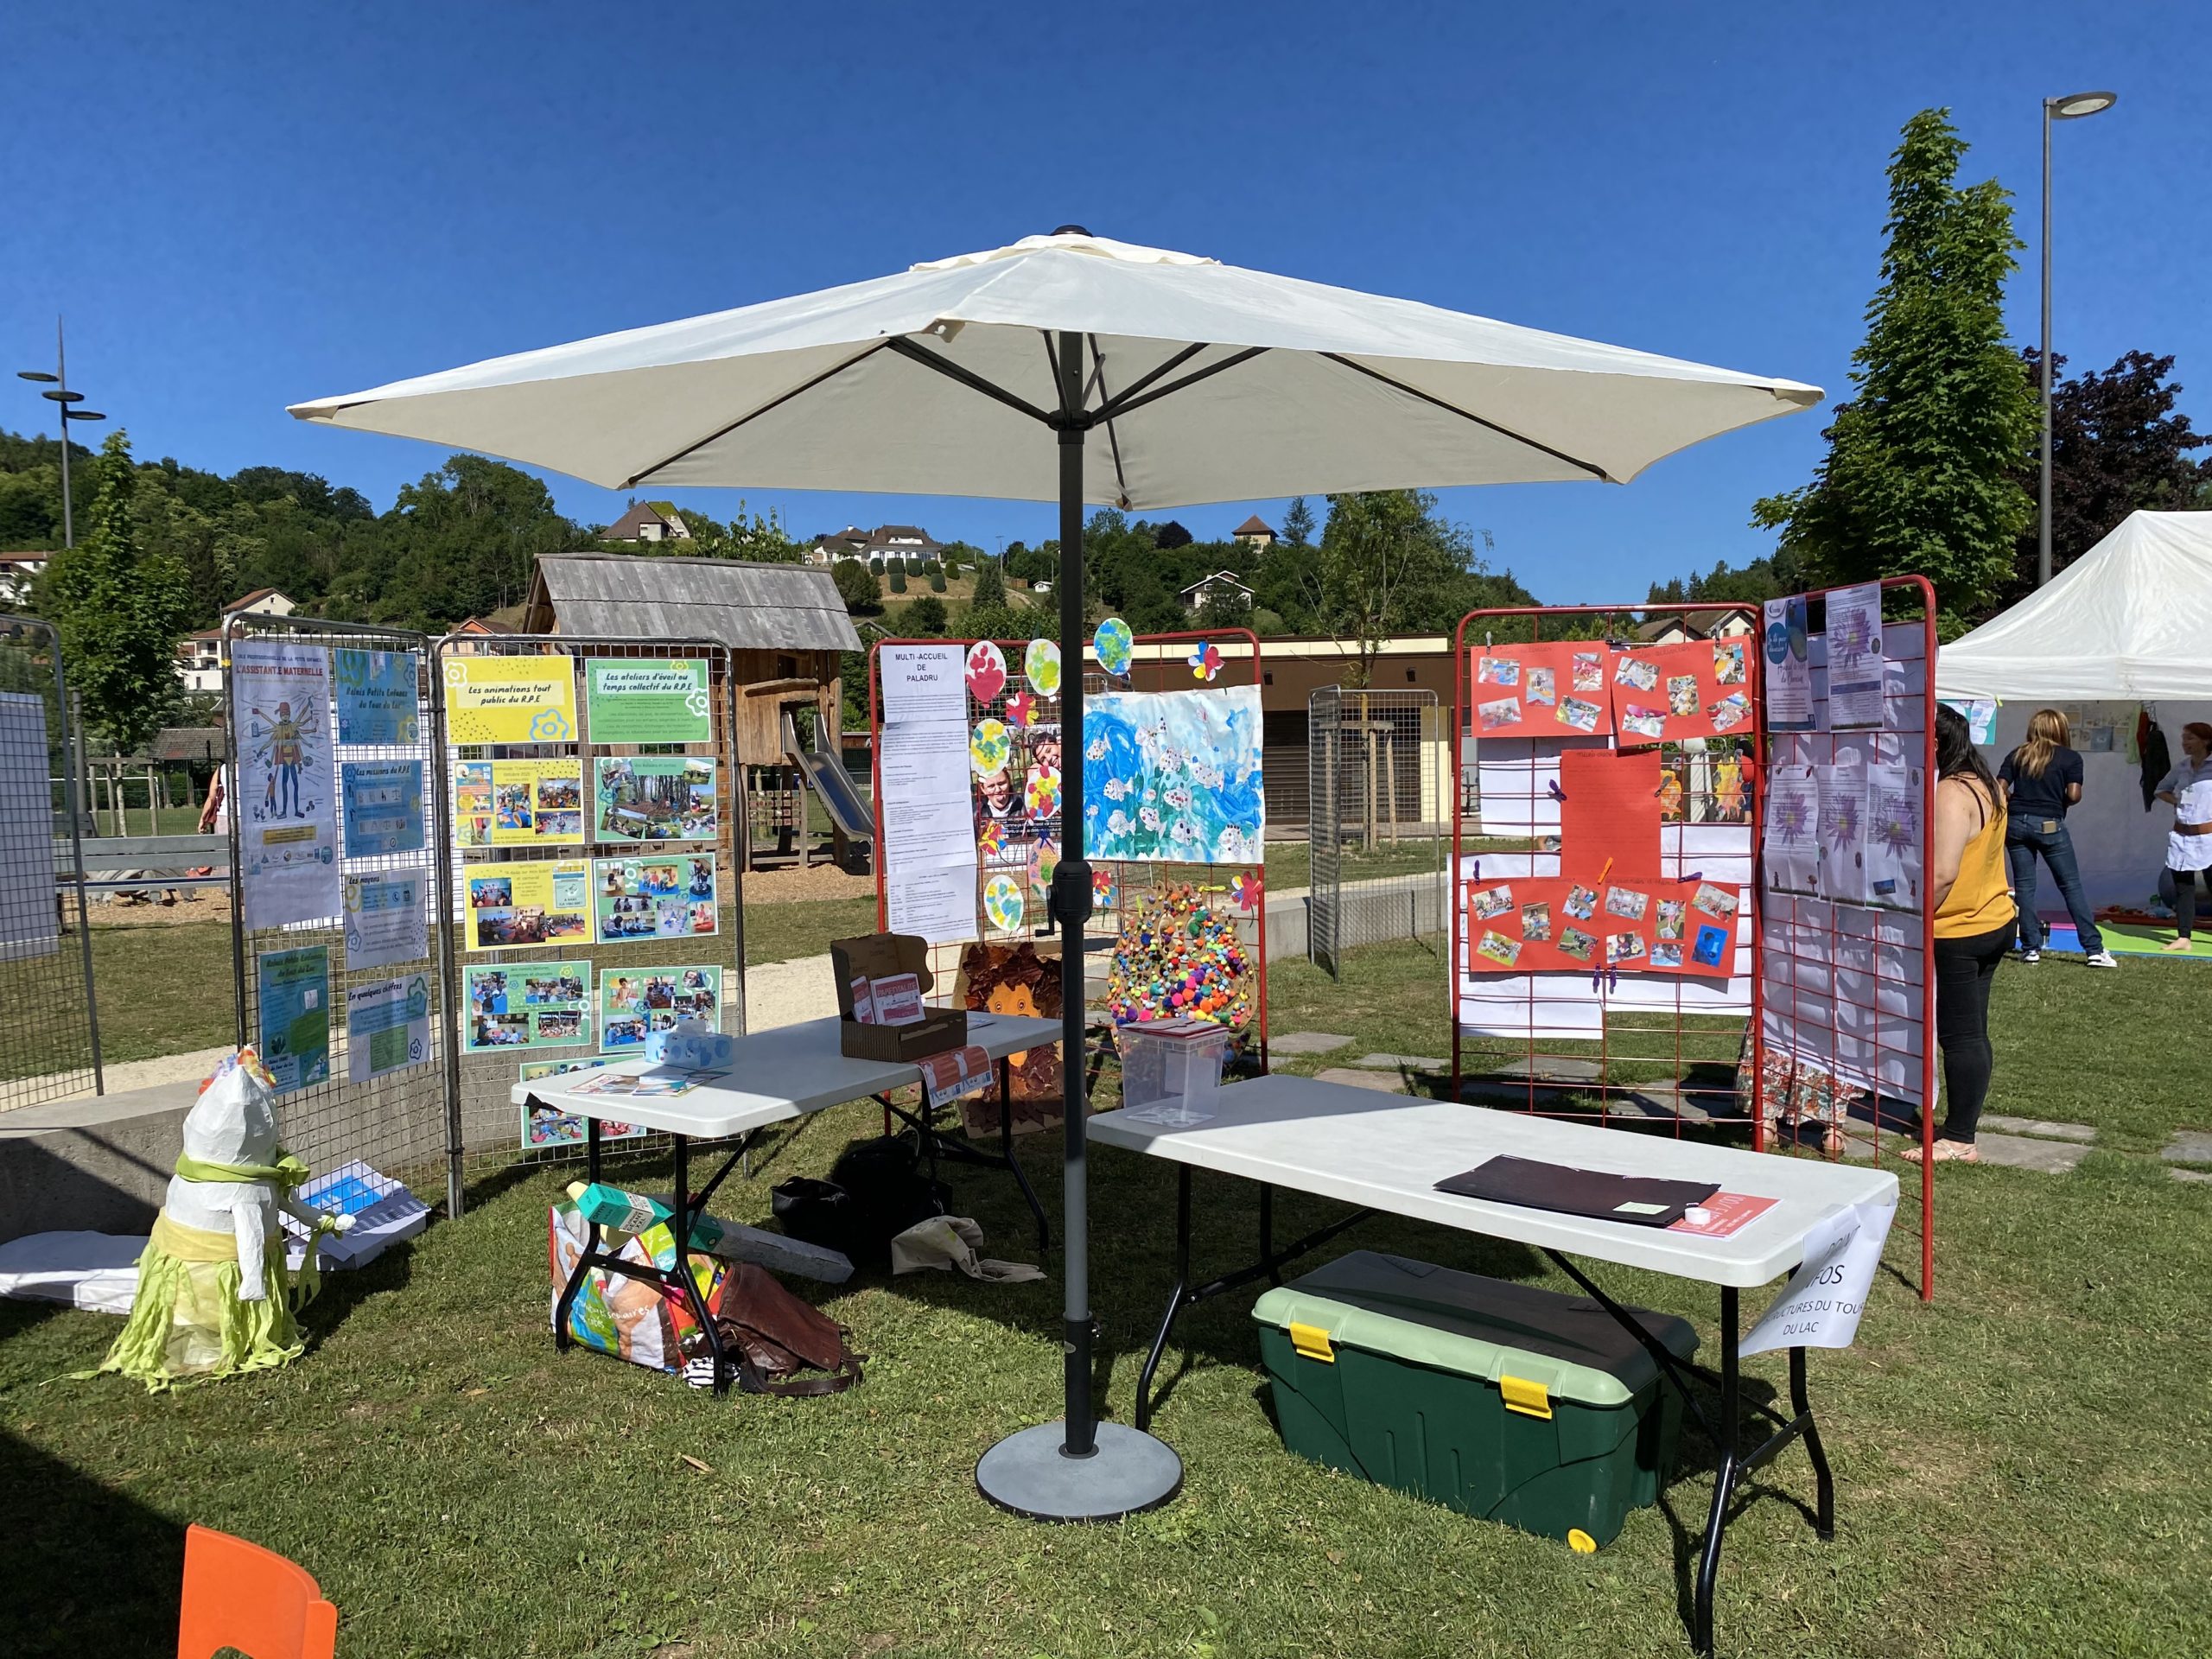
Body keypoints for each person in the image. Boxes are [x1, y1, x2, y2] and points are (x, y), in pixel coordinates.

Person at [1904, 704, 2017, 1166]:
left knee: (1961, 1036)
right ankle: (1961, 1128)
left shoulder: (1951, 791)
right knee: (1972, 1032)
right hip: (1992, 919)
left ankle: (1959, 1139)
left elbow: (1944, 873)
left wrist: (1911, 920)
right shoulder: (1985, 781)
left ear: (1933, 743)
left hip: (1960, 929)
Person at [1998, 709, 2116, 967]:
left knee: (2025, 888)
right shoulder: (2070, 757)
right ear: (2060, 729)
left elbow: (2000, 787)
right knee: (2070, 886)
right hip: (2050, 823)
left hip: (2016, 823)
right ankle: (2094, 950)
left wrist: (2014, 800)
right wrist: (2057, 803)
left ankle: (2030, 948)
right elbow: (2074, 795)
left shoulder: (2018, 754)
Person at [2155, 721, 2212, 954]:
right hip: (2182, 835)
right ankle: (2184, 937)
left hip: (2209, 836)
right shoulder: (2182, 767)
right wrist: (2177, 801)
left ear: (2206, 741)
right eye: (2184, 738)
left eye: (2190, 738)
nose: (2184, 743)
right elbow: (2161, 789)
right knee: (2183, 888)